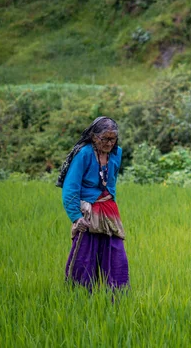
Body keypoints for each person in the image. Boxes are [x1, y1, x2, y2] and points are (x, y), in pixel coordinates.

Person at [56, 116, 129, 290]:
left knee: (116, 255)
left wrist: (111, 203)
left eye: (113, 138)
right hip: (87, 212)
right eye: (105, 139)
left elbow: (111, 182)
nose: (110, 143)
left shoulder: (116, 153)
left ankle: (118, 298)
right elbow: (70, 187)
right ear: (94, 137)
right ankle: (80, 297)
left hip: (108, 210)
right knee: (84, 256)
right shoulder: (84, 154)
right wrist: (76, 217)